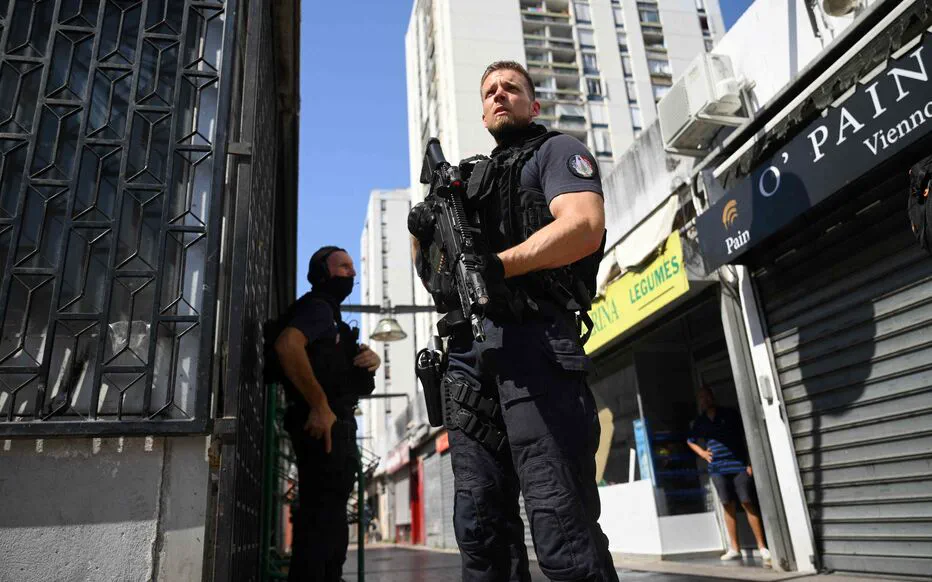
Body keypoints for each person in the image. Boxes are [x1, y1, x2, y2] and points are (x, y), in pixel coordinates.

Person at [413, 61, 617, 582]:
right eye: (490, 91)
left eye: (512, 88)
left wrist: (499, 265)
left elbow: (584, 227)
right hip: (467, 363)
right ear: (483, 112)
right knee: (479, 530)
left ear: (534, 104)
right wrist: (424, 230)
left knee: (560, 523)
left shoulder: (555, 151)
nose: (500, 95)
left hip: (535, 347)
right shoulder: (466, 184)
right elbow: (441, 281)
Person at [270, 246, 381, 582]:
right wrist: (320, 406)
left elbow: (337, 374)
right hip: (323, 429)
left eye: (352, 268)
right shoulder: (317, 308)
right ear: (321, 273)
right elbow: (287, 345)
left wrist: (369, 361)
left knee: (328, 522)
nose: (351, 273)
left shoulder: (330, 317)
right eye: (342, 267)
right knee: (322, 526)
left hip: (334, 427)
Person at [687, 387, 771, 566]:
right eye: (701, 398)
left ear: (712, 397)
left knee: (747, 502)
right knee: (727, 505)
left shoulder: (729, 414)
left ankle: (762, 546)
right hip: (717, 468)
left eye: (707, 396)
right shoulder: (700, 422)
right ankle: (734, 548)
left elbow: (746, 434)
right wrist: (702, 453)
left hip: (738, 465)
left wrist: (749, 462)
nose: (705, 400)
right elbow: (690, 441)